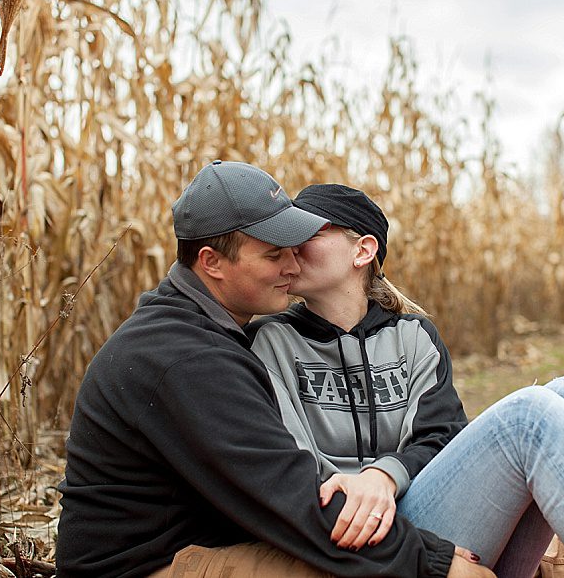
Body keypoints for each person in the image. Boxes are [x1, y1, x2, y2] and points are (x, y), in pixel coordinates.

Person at [247, 183, 564, 578]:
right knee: (529, 417)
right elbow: (287, 466)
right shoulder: (271, 340)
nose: (288, 251)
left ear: (362, 251)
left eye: (307, 235)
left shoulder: (412, 336)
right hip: (365, 544)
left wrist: (384, 475)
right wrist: (363, 493)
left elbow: (440, 435)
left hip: (425, 514)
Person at [56, 161, 493, 578]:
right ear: (211, 263)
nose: (291, 265)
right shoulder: (185, 357)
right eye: (272, 255)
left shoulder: (206, 334)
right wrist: (433, 564)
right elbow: (295, 501)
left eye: (293, 249)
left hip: (207, 545)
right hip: (149, 568)